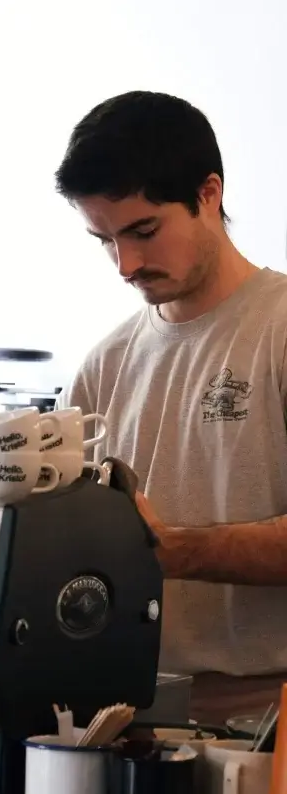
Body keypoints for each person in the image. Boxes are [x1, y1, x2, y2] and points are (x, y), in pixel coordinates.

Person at [55, 90, 287, 725]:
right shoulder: (103, 364)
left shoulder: (279, 328)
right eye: (103, 240)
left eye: (144, 231)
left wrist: (178, 552)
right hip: (122, 710)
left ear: (208, 194)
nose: (126, 265)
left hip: (270, 714)